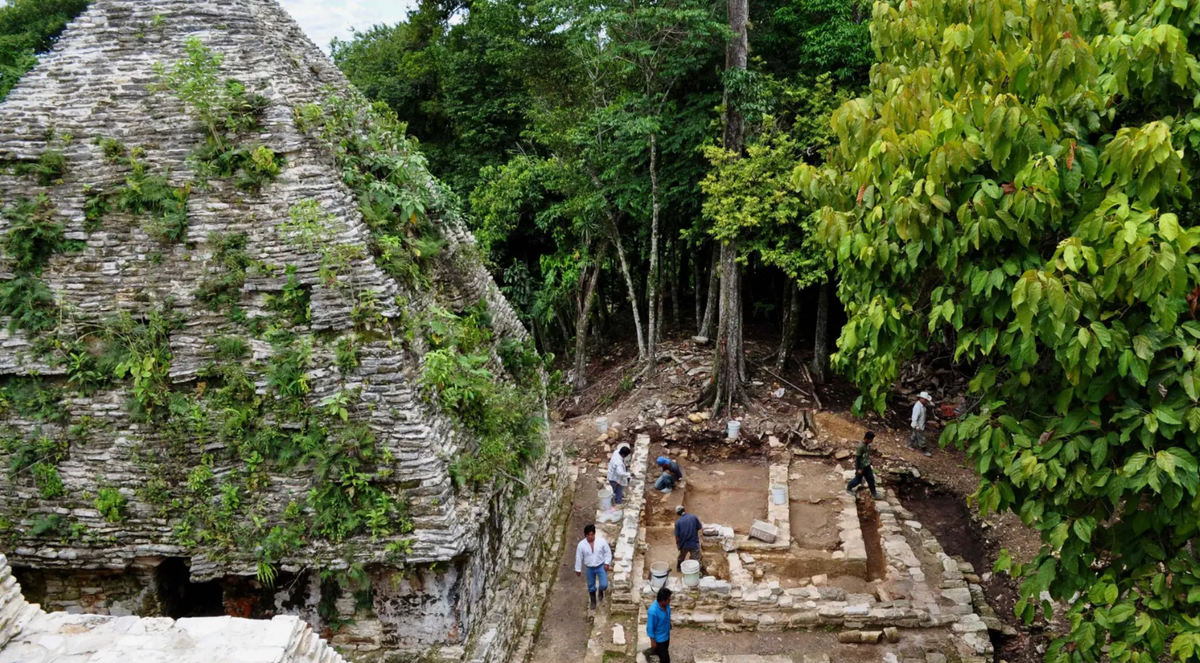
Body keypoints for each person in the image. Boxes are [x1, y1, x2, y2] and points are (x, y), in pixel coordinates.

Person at [574, 524, 612, 614]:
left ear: (594, 534)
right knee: (591, 585)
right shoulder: (581, 545)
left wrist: (607, 563)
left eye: (592, 535)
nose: (590, 537)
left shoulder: (601, 541)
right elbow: (578, 557)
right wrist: (578, 569)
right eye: (588, 535)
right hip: (589, 567)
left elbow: (607, 552)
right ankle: (593, 600)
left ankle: (600, 591)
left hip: (600, 566)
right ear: (585, 535)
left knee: (604, 584)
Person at [673, 505, 706, 574]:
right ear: (684, 509)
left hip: (683, 544)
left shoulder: (678, 522)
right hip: (694, 543)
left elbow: (677, 536)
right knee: (696, 559)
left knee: (681, 557)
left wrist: (678, 544)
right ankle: (698, 573)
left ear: (678, 513)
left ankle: (679, 568)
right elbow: (699, 527)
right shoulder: (693, 517)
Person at [643, 587, 672, 663]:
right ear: (663, 601)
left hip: (666, 635)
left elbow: (666, 616)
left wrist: (669, 624)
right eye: (668, 599)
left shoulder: (667, 606)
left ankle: (650, 651)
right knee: (665, 659)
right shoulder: (653, 611)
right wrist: (653, 641)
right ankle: (651, 651)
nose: (670, 601)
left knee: (663, 653)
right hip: (659, 639)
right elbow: (650, 628)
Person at [846, 431, 878, 498]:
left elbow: (866, 456)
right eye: (871, 439)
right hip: (861, 467)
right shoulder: (860, 446)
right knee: (857, 480)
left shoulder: (868, 445)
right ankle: (849, 487)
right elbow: (858, 458)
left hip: (867, 466)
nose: (872, 441)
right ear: (866, 439)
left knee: (871, 479)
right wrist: (859, 469)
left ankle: (874, 493)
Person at [909, 391, 933, 457]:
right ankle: (924, 450)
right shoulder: (917, 407)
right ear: (922, 399)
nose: (926, 401)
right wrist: (916, 426)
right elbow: (914, 417)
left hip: (920, 425)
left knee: (914, 435)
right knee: (922, 438)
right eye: (925, 400)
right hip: (918, 426)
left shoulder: (922, 406)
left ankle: (909, 444)